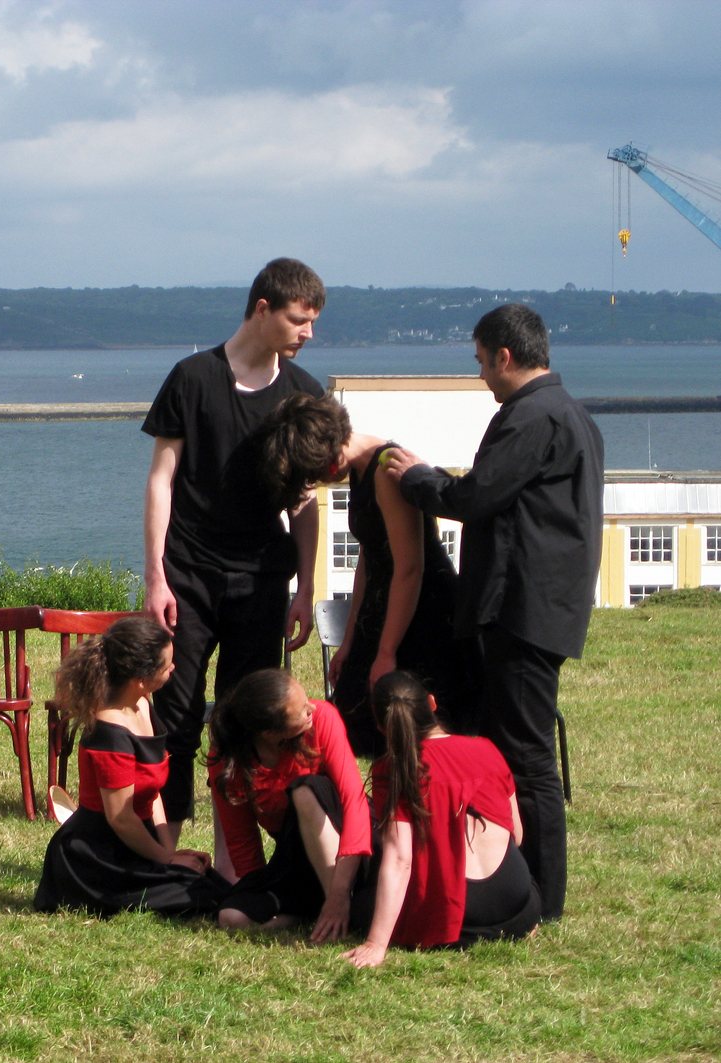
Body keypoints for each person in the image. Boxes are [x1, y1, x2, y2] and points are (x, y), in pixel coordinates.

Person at [384, 303, 603, 922]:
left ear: (504, 356)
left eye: (481, 361)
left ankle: (542, 895)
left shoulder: (528, 416)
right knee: (517, 749)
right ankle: (516, 882)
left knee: (527, 758)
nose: (481, 374)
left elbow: (476, 495)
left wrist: (420, 480)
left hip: (520, 612)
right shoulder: (574, 416)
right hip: (547, 609)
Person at [142, 258, 326, 842]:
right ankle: (166, 851)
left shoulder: (303, 392)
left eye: (313, 322)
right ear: (263, 309)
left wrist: (306, 590)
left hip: (262, 581)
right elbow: (160, 479)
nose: (308, 333)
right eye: (299, 320)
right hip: (188, 573)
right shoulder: (193, 377)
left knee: (249, 721)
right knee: (175, 715)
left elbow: (304, 502)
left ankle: (233, 856)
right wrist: (156, 578)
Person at [254, 393, 480, 756]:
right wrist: (351, 641)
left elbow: (410, 568)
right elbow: (371, 554)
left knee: (410, 725)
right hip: (385, 603)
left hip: (424, 614)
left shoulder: (387, 468)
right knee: (359, 717)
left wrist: (386, 652)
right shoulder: (361, 471)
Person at [35, 617, 229, 917]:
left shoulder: (142, 704)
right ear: (141, 679)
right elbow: (121, 817)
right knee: (202, 898)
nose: (173, 668)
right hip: (99, 859)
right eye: (167, 666)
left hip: (136, 845)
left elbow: (150, 795)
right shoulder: (109, 732)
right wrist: (166, 860)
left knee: (212, 886)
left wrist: (170, 853)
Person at [343, 672, 541, 967]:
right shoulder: (486, 748)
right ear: (432, 703)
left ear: (382, 726)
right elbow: (518, 833)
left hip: (456, 911)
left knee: (361, 904)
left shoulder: (391, 770)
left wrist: (375, 943)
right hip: (515, 900)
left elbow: (399, 859)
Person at [206, 669, 371, 939]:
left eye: (306, 700)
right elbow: (241, 839)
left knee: (305, 790)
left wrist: (339, 893)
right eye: (301, 711)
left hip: (347, 847)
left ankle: (339, 902)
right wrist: (261, 887)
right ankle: (313, 911)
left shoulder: (323, 717)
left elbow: (355, 801)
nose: (311, 709)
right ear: (270, 733)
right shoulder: (226, 757)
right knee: (231, 917)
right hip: (296, 856)